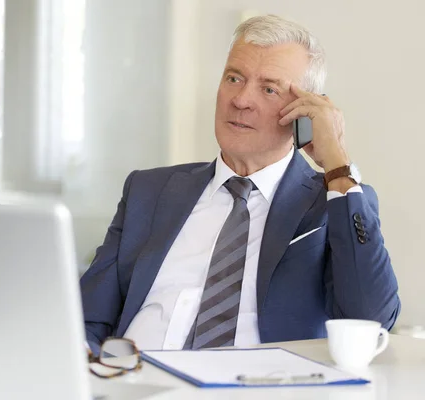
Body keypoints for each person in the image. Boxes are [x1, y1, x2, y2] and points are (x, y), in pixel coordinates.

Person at [80, 14, 400, 353]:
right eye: (234, 78)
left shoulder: (333, 202)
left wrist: (336, 162)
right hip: (133, 381)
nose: (241, 99)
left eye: (268, 88)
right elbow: (86, 318)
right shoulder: (149, 190)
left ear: (305, 112)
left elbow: (373, 319)